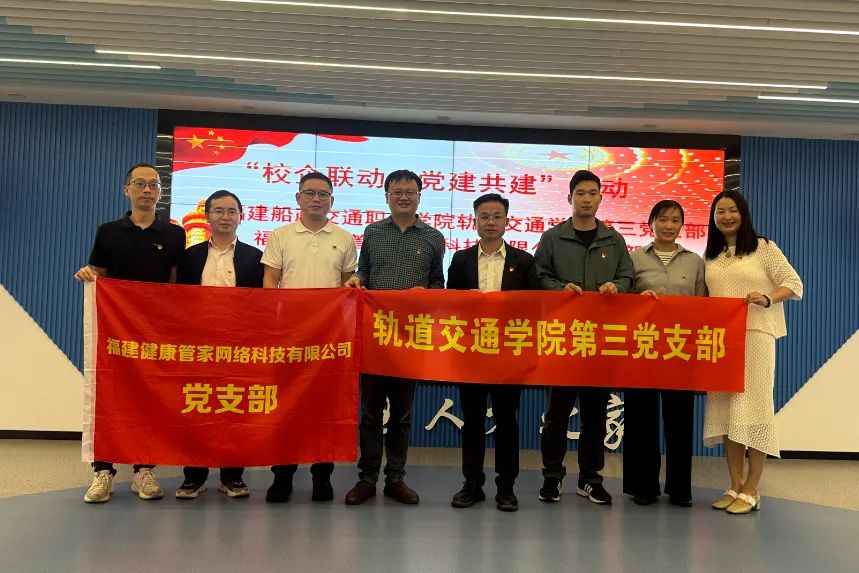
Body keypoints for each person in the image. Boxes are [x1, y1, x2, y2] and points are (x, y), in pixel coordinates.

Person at [74, 162, 186, 503]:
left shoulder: (174, 234)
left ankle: (144, 470)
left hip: (154, 332)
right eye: (140, 184)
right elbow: (100, 275)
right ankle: (103, 471)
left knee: (149, 397)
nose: (147, 190)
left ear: (161, 193)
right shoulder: (108, 231)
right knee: (110, 394)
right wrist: (88, 276)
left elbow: (174, 283)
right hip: (115, 331)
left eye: (154, 185)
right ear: (127, 190)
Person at [343, 169, 445, 505]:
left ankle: (396, 478)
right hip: (375, 335)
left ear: (419, 196)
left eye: (410, 192)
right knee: (371, 413)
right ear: (386, 196)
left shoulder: (433, 237)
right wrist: (357, 280)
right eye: (397, 191)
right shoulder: (373, 232)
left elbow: (438, 284)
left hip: (410, 339)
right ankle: (367, 478)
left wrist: (427, 293)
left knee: (401, 415)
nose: (403, 197)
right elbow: (365, 272)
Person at [534, 169, 633, 506]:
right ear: (570, 198)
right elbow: (539, 277)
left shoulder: (613, 240)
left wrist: (617, 286)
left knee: (595, 416)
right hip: (562, 340)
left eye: (592, 193)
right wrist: (559, 288)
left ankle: (590, 479)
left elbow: (628, 278)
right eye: (580, 193)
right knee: (556, 415)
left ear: (601, 198)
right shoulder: (552, 238)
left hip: (599, 342)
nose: (586, 199)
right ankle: (552, 477)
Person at [260, 171, 358, 503]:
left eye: (323, 194)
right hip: (289, 335)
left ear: (332, 201)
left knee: (324, 408)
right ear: (298, 198)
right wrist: (276, 325)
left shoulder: (344, 238)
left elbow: (348, 287)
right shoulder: (281, 235)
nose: (317, 199)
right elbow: (270, 281)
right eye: (310, 193)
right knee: (285, 405)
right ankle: (282, 476)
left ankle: (322, 477)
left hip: (329, 337)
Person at [703, 190, 802, 515]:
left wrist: (768, 298)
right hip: (722, 342)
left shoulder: (763, 247)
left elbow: (793, 283)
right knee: (728, 408)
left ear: (743, 213)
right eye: (720, 212)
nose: (726, 217)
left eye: (732, 210)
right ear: (713, 218)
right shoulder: (711, 255)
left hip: (756, 337)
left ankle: (752, 487)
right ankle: (734, 484)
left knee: (756, 409)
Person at [446, 193, 538, 512]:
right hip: (471, 353)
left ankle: (506, 487)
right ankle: (471, 483)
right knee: (472, 419)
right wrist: (466, 301)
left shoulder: (524, 261)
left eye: (497, 216)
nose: (490, 222)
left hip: (508, 354)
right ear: (474, 221)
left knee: (506, 420)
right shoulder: (461, 259)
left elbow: (535, 307)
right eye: (484, 216)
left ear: (507, 221)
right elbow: (449, 303)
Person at [174, 190, 264, 500]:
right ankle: (194, 476)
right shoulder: (189, 257)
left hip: (239, 346)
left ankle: (232, 475)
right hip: (198, 346)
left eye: (231, 211)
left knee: (234, 409)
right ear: (207, 216)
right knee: (196, 408)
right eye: (219, 211)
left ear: (242, 216)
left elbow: (263, 305)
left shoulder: (255, 257)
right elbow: (176, 301)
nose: (225, 217)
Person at [622, 200, 707, 507]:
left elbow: (703, 305)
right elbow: (622, 303)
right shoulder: (633, 259)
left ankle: (680, 489)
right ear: (651, 223)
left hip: (679, 350)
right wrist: (637, 299)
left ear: (682, 225)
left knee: (680, 421)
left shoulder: (695, 262)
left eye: (675, 220)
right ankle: (643, 487)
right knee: (641, 420)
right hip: (642, 349)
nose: (669, 225)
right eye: (663, 219)